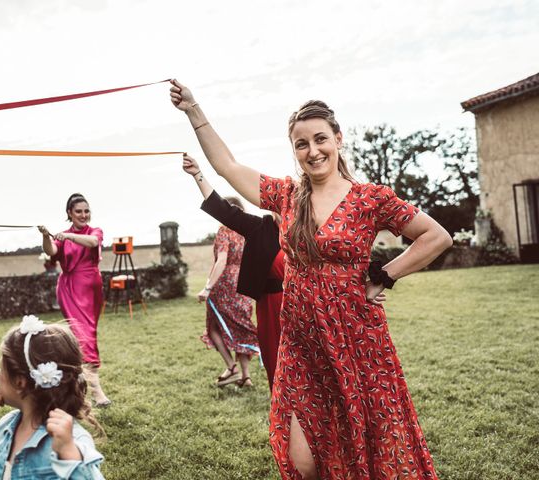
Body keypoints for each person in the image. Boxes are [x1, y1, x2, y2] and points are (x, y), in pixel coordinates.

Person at [171, 79, 452, 479]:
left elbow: (436, 236)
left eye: (320, 139)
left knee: (369, 443)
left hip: (356, 339)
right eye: (301, 144)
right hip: (301, 340)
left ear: (338, 139)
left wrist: (385, 275)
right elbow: (228, 167)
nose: (313, 150)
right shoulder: (287, 196)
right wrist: (194, 111)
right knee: (302, 460)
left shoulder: (371, 199)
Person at [0, 316, 105, 479]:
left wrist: (68, 452)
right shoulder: (6, 426)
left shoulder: (70, 439)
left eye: (0, 369)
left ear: (20, 382)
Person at [183, 154, 283, 391]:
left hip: (307, 306)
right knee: (278, 371)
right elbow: (224, 211)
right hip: (271, 306)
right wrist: (198, 174)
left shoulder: (308, 229)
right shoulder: (261, 227)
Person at [38, 193, 110, 407]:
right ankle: (97, 392)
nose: (83, 215)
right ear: (69, 213)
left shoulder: (94, 231)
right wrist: (45, 236)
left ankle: (74, 379)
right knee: (85, 335)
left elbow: (93, 242)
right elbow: (51, 250)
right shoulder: (60, 237)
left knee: (87, 334)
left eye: (86, 211)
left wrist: (68, 236)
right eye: (78, 211)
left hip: (92, 289)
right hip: (71, 288)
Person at [197, 192, 258, 388]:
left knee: (214, 327)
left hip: (225, 284)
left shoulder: (224, 230)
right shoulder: (248, 231)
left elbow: (222, 260)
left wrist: (207, 287)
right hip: (246, 281)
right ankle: (246, 376)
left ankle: (231, 367)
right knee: (241, 327)